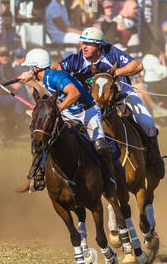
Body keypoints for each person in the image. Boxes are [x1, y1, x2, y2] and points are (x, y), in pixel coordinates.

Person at [52, 27, 165, 179]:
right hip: (93, 103)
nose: (83, 47)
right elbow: (56, 68)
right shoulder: (77, 59)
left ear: (99, 46)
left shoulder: (111, 52)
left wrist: (114, 73)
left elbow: (137, 66)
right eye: (83, 43)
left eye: (89, 44)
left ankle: (154, 156)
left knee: (148, 122)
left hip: (122, 94)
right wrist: (38, 72)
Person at [17, 48, 117, 196]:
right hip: (69, 112)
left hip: (87, 112)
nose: (29, 70)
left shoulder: (55, 77)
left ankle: (109, 179)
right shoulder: (47, 76)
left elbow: (74, 93)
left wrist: (60, 108)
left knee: (100, 145)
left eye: (30, 67)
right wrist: (29, 78)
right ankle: (37, 176)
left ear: (36, 67)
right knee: (47, 138)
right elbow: (42, 87)